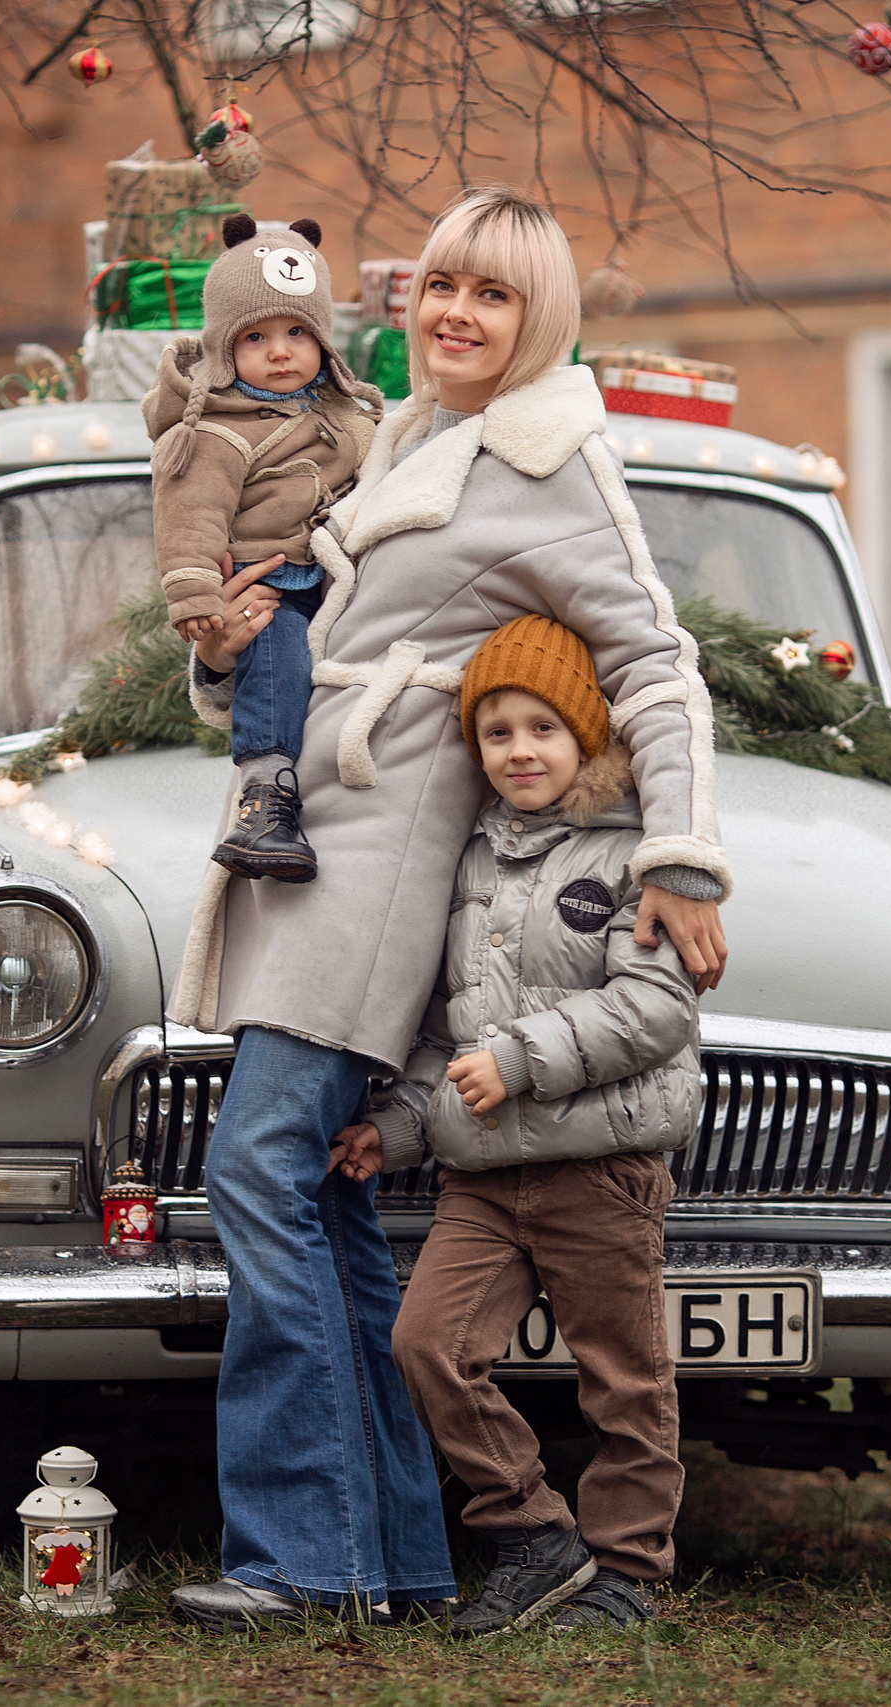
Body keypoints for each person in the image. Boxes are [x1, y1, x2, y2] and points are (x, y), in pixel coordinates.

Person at [160, 184, 731, 1635]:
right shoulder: (407, 439)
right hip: (317, 835)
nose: (459, 313)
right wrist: (231, 653)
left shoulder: (554, 458)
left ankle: (303, 1552)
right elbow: (333, 644)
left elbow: (655, 662)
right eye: (444, 287)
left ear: (543, 318)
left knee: (261, 1167)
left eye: (496, 293)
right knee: (327, 1196)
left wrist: (680, 855)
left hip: (387, 854)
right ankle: (386, 1552)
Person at [331, 615, 701, 1635]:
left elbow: (657, 1010)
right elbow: (449, 1025)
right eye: (497, 732)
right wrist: (396, 1128)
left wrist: (521, 1062)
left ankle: (625, 1572)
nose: (521, 750)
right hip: (485, 1177)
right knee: (426, 1345)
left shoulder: (636, 859)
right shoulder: (467, 864)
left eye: (543, 727)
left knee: (622, 1377)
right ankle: (534, 1533)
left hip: (600, 1166)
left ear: (585, 736)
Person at [144, 212, 382, 884]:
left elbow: (382, 474)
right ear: (224, 349)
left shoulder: (346, 416)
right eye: (256, 336)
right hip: (266, 578)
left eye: (297, 332)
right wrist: (194, 591)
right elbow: (190, 513)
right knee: (272, 654)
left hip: (337, 582)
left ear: (323, 341)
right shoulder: (216, 431)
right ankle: (265, 791)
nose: (281, 351)